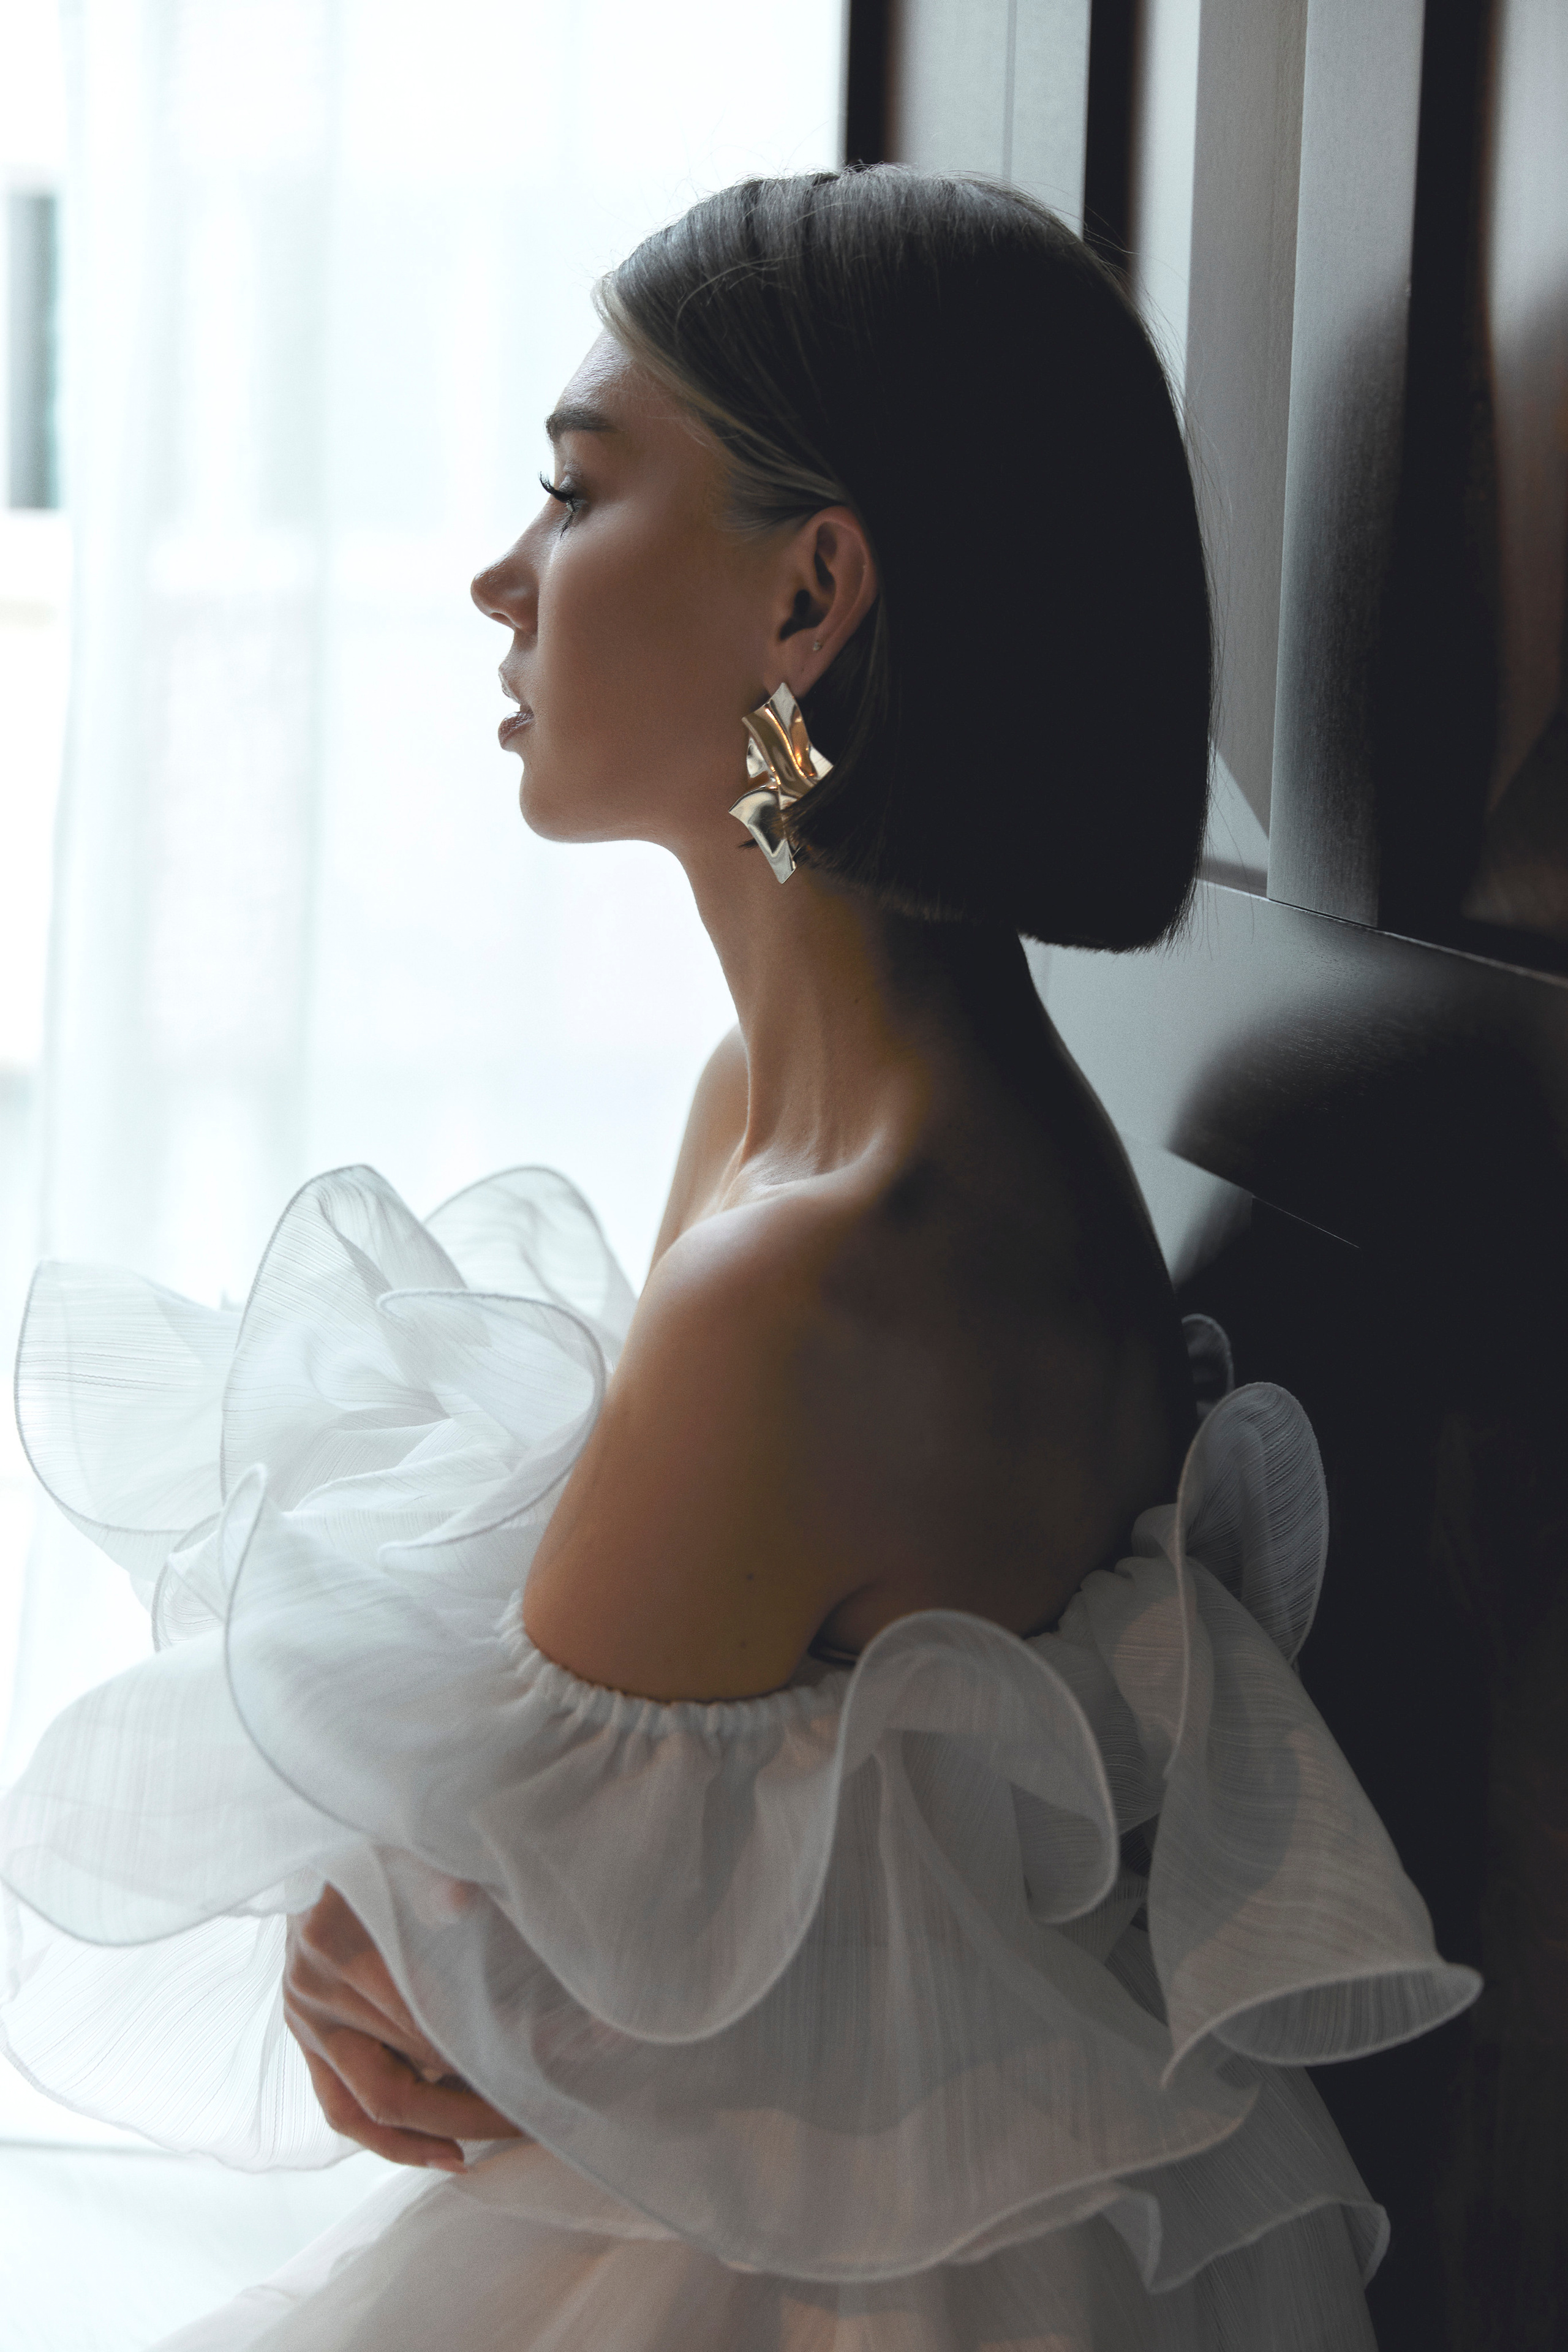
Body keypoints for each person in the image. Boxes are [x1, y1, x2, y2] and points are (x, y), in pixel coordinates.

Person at [0, 170, 1477, 2351]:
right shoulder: (852, 1131)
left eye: (574, 491)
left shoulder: (814, 1280)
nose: (500, 577)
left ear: (811, 597)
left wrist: (380, 1928)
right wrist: (408, 1927)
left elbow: (481, 1983)